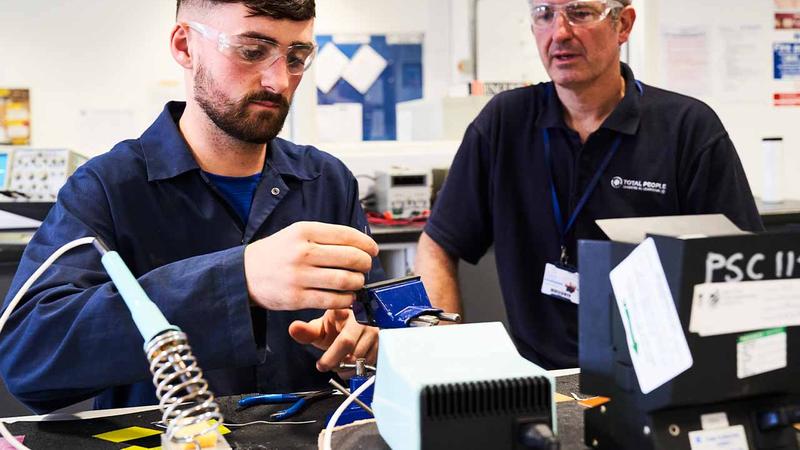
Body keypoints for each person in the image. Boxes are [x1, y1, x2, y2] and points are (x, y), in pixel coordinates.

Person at [0, 0, 383, 413]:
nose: (278, 80)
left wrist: (365, 346)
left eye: (296, 57)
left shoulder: (327, 181)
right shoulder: (107, 188)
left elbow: (373, 324)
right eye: (252, 51)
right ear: (185, 46)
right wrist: (237, 281)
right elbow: (27, 359)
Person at [415, 0, 764, 369]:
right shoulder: (504, 123)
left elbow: (743, 270)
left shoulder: (686, 129)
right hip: (540, 381)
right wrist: (444, 360)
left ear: (623, 25)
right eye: (544, 14)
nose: (559, 32)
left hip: (660, 378)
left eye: (580, 13)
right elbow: (438, 244)